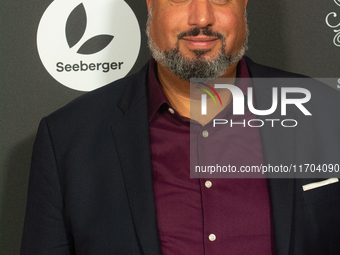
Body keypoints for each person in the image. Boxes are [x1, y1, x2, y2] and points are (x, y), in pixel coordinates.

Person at [21, 0, 340, 254]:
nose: (201, 18)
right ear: (150, 4)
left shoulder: (326, 114)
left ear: (244, 4)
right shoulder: (67, 140)